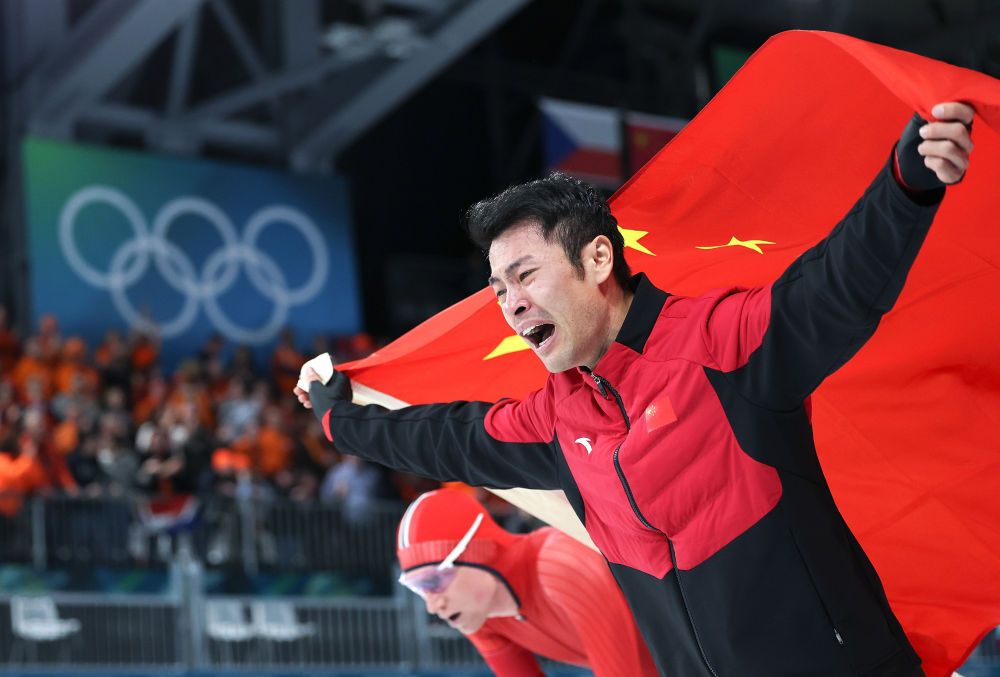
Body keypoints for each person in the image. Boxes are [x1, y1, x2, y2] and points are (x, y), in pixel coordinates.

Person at [296, 102, 975, 676]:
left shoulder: (717, 344)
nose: (511, 302)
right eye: (499, 288)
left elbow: (834, 287)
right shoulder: (556, 421)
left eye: (526, 275)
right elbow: (445, 438)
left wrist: (907, 184)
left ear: (598, 258)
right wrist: (337, 420)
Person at [396, 488, 658, 677]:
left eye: (435, 581)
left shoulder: (561, 564)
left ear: (477, 554)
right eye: (419, 588)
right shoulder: (480, 617)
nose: (432, 605)